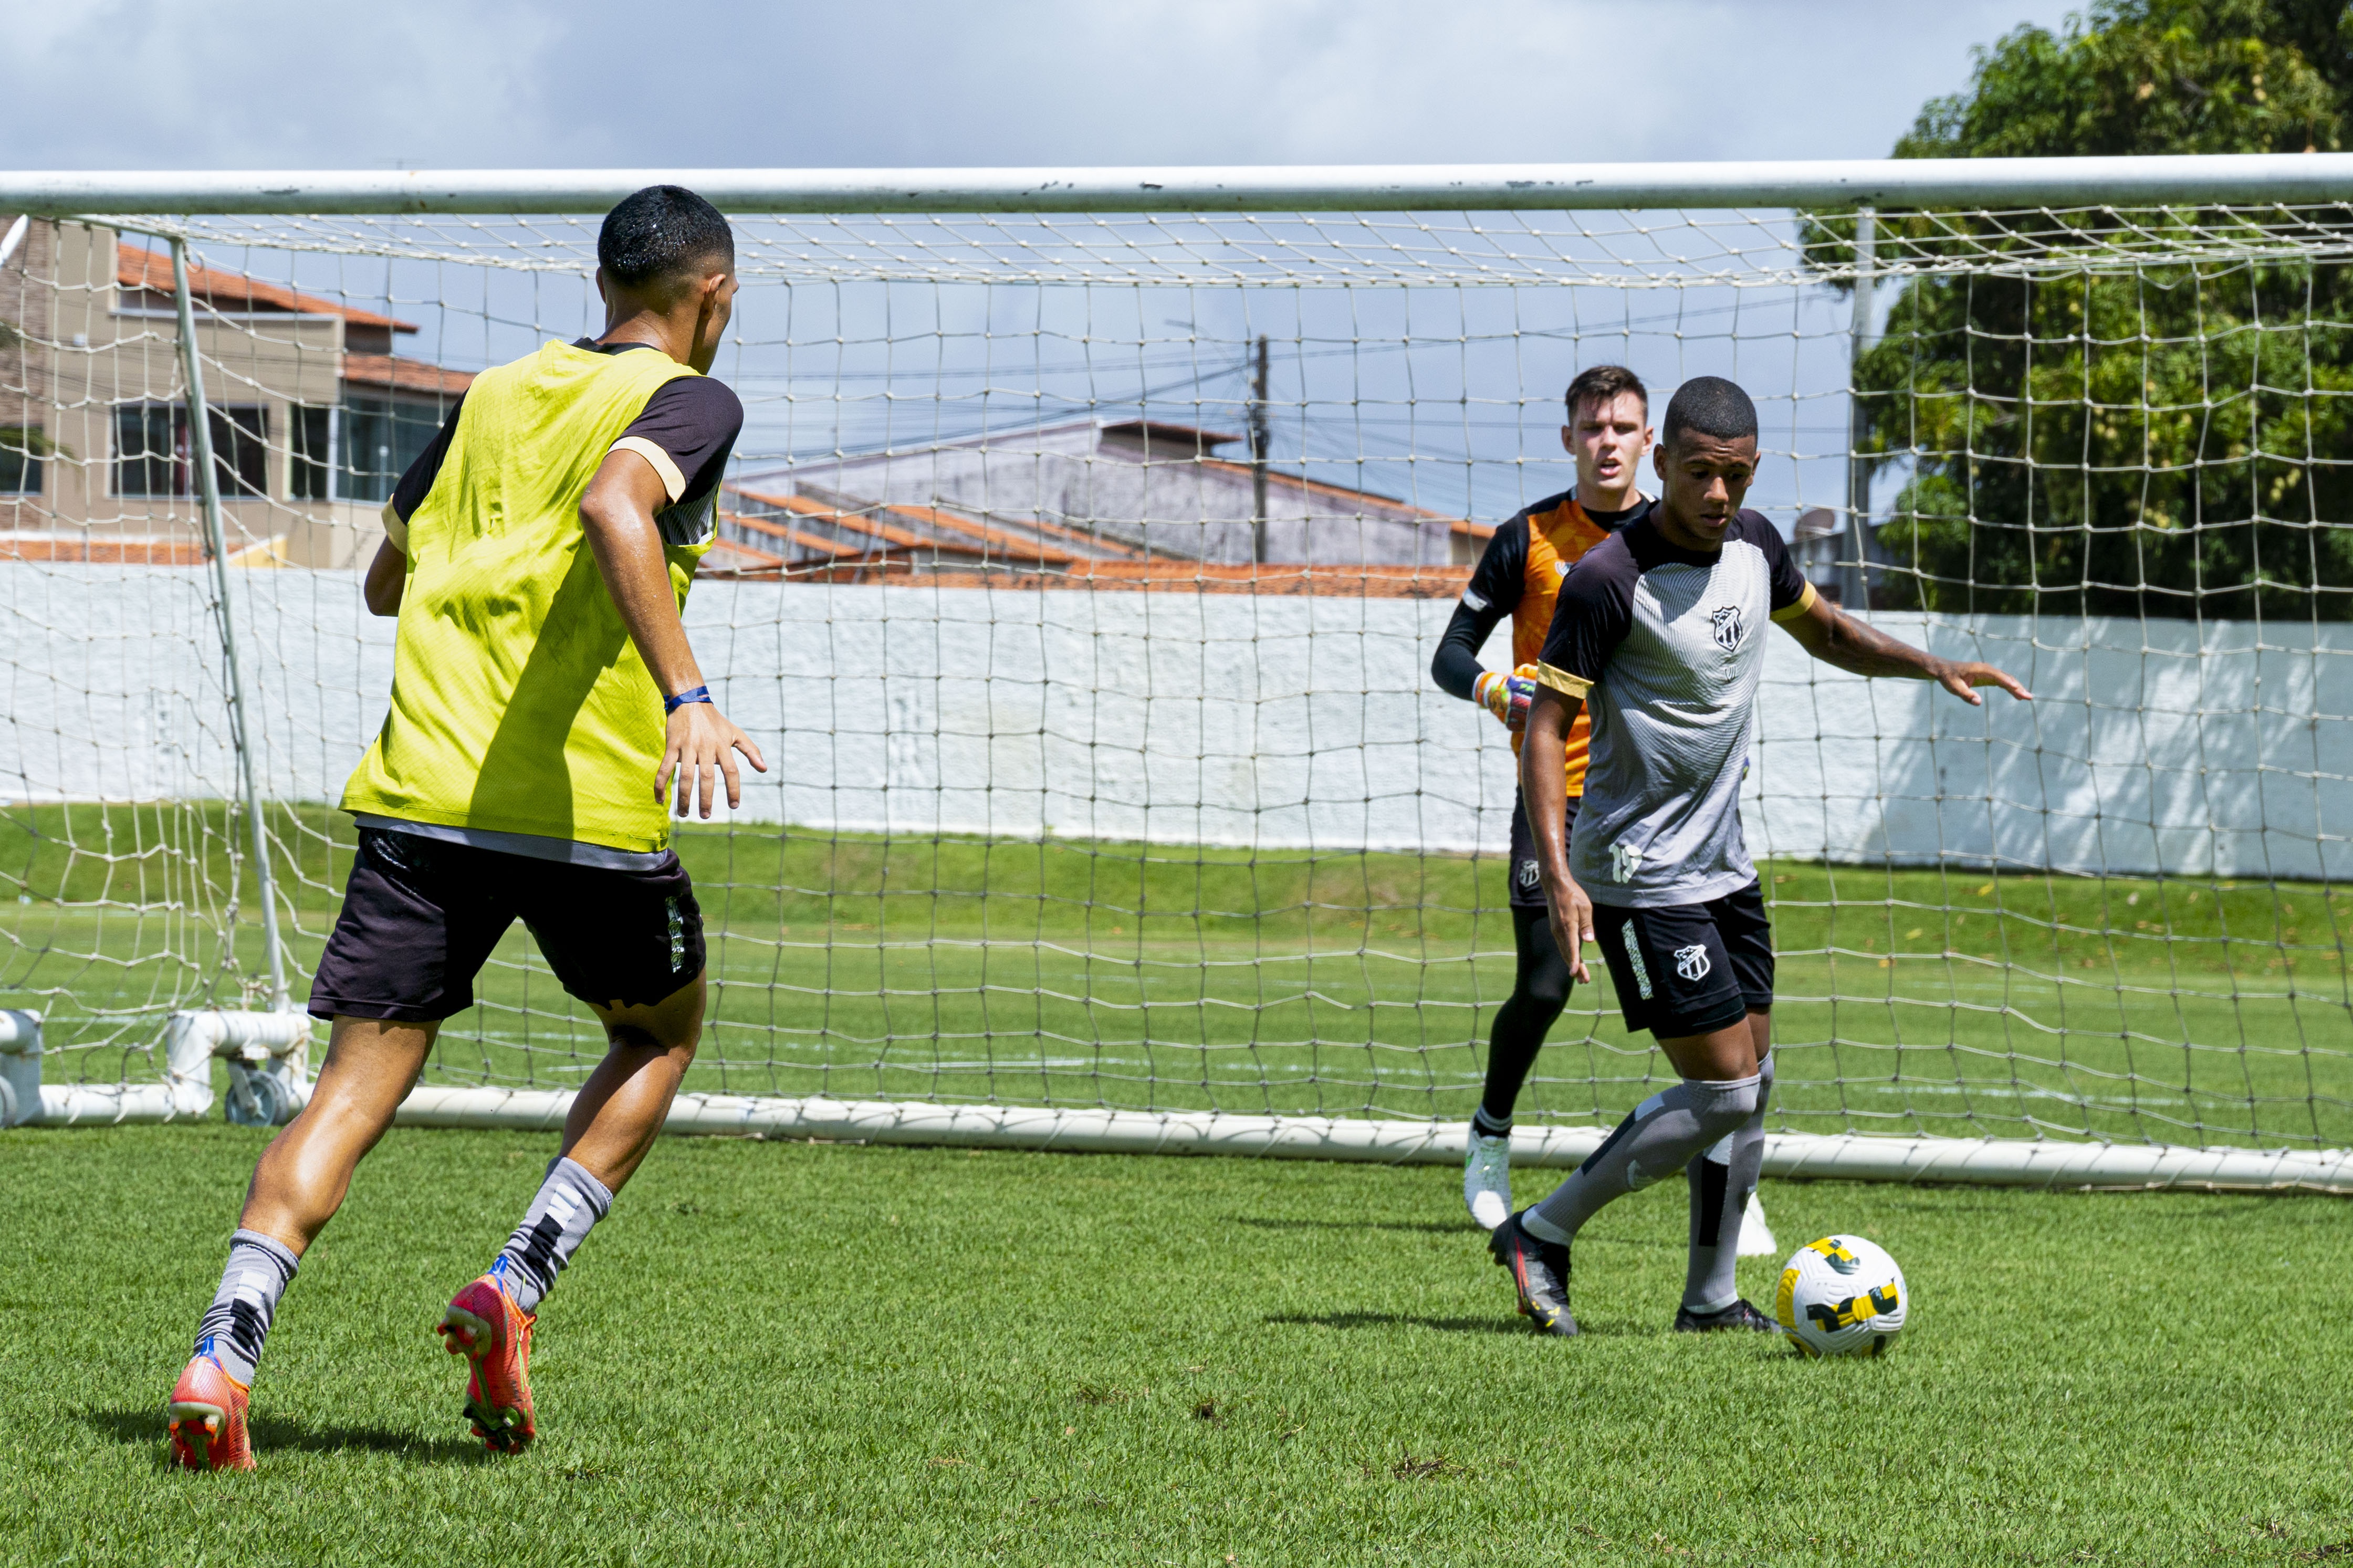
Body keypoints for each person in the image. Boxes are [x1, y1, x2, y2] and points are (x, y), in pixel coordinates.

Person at [165, 185, 765, 1469]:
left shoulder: (487, 398)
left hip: (424, 797)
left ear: (604, 281)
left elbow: (386, 580)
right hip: (581, 808)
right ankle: (515, 1283)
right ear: (709, 294)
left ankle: (222, 1355)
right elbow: (616, 507)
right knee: (661, 1032)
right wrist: (690, 697)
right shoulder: (693, 403)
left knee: (348, 1094)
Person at [1490, 375, 2031, 1337]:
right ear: (1662, 465)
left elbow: (1822, 631)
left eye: (1734, 476)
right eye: (1698, 473)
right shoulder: (1609, 580)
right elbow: (1546, 723)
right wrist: (1561, 873)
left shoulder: (1757, 545)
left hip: (1724, 867)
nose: (1716, 495)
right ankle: (1542, 1228)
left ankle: (1706, 1298)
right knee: (1723, 1085)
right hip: (1637, 869)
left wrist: (1927, 661)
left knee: (1756, 1082)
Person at [1431, 365, 1654, 1231]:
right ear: (1568, 439)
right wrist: (1496, 691)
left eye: (1622, 427)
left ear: (1648, 443)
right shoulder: (1525, 537)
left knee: (1696, 1002)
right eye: (1592, 427)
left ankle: (1728, 1176)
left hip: (1652, 801)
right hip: (1554, 793)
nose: (1606, 441)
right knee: (1548, 983)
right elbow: (1451, 654)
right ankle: (1490, 1135)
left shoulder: (1676, 536)